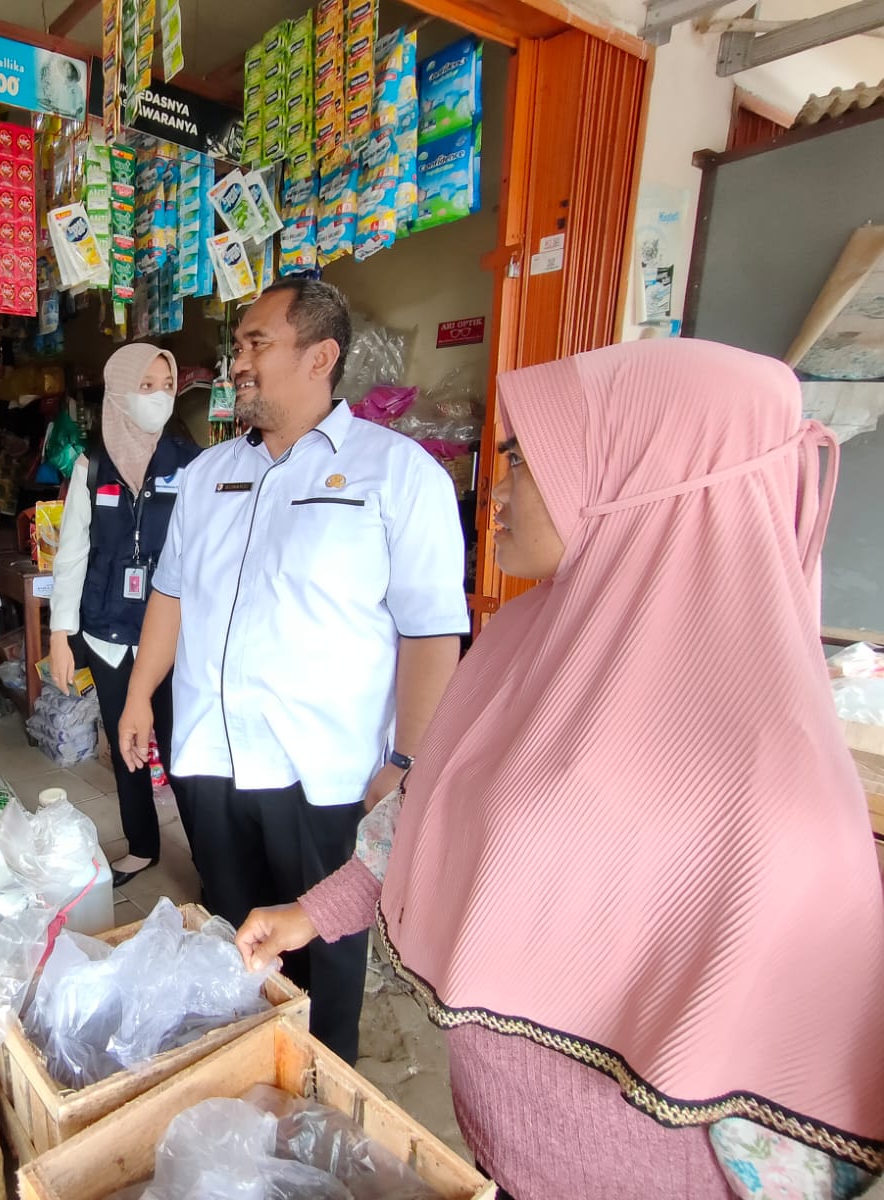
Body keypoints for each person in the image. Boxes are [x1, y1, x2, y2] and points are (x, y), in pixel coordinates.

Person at [237, 339, 884, 1198]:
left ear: (637, 479)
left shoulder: (764, 772)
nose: (496, 488)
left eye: (525, 461)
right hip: (500, 1151)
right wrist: (308, 916)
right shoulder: (527, 647)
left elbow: (798, 1109)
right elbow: (432, 821)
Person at [120, 279, 469, 1065]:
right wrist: (141, 693)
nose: (237, 360)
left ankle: (320, 1099)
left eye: (255, 344)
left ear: (321, 356)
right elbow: (171, 595)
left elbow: (430, 634)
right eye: (238, 345)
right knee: (233, 944)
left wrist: (407, 764)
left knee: (325, 964)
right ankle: (244, 1079)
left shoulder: (397, 474)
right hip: (212, 761)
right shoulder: (208, 477)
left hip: (327, 777)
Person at [48, 343, 202, 887]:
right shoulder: (91, 468)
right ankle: (141, 845)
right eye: (146, 386)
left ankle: (210, 857)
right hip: (108, 633)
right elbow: (71, 555)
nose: (159, 397)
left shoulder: (192, 464)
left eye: (166, 385)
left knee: (183, 751)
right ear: (118, 392)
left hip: (172, 639)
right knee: (127, 744)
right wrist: (60, 635)